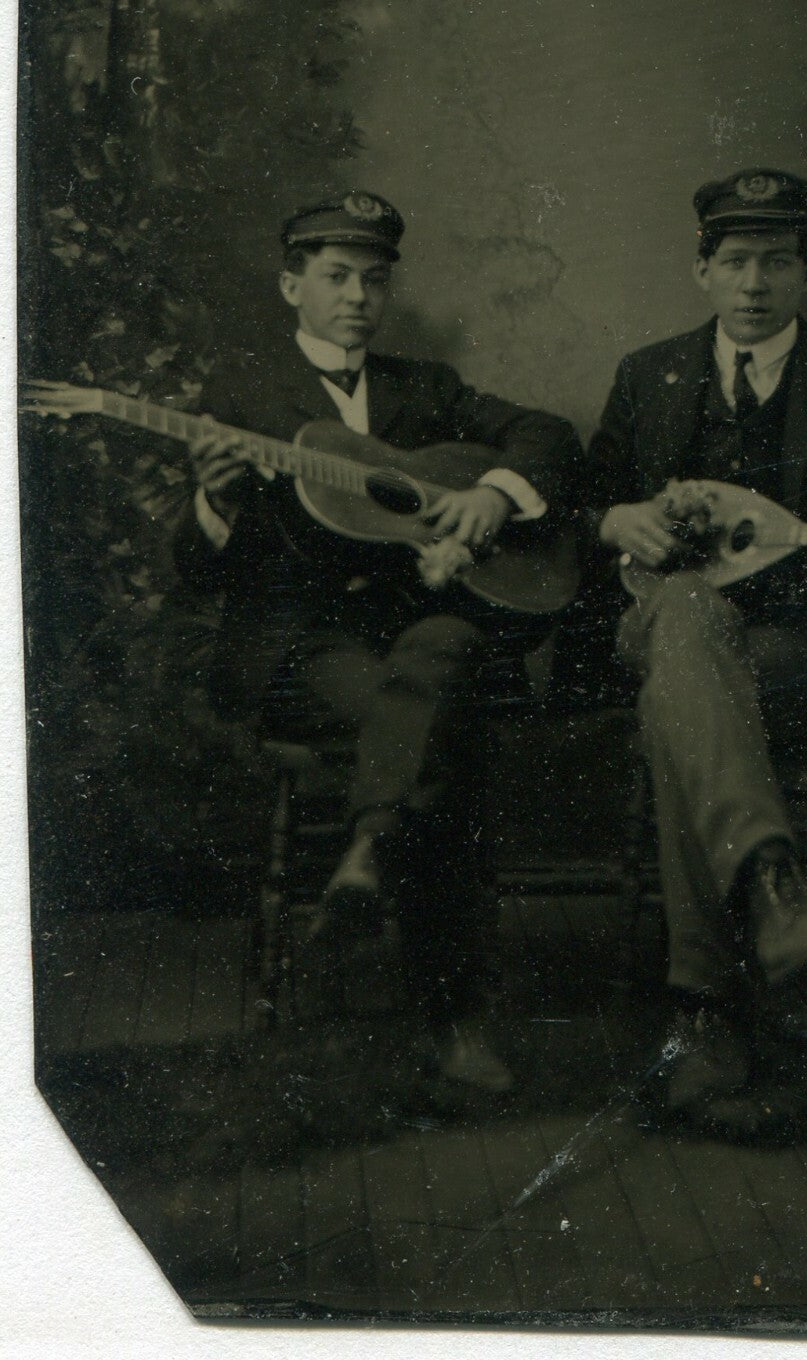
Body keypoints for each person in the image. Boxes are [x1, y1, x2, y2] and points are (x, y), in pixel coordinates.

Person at [174, 190, 582, 1092]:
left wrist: (495, 494)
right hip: (299, 649)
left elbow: (547, 433)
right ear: (292, 287)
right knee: (441, 730)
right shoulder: (241, 396)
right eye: (334, 277)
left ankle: (369, 849)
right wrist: (220, 502)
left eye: (373, 278)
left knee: (440, 657)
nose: (356, 296)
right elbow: (195, 573)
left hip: (406, 640)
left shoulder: (424, 391)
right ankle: (457, 1022)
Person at [583, 168, 807, 1119]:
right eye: (734, 261)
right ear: (700, 270)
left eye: (776, 262)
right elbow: (578, 517)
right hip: (662, 629)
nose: (752, 283)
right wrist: (617, 521)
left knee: (680, 705)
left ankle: (702, 1011)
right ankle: (774, 892)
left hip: (795, 653)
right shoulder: (644, 377)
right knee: (687, 619)